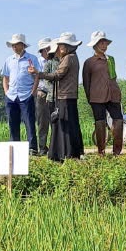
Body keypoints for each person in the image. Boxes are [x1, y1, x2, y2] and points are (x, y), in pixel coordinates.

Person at [35, 32, 84, 162]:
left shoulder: (68, 58)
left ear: (69, 46)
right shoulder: (73, 57)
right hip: (68, 95)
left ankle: (65, 153)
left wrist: (38, 74)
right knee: (67, 125)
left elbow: (57, 75)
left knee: (64, 125)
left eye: (62, 45)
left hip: (65, 96)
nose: (60, 47)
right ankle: (67, 153)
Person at [82, 31, 124, 155]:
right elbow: (86, 83)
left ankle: (117, 152)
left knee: (118, 121)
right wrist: (90, 98)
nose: (104, 45)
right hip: (96, 97)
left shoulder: (111, 59)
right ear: (94, 45)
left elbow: (113, 77)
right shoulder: (89, 62)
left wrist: (117, 91)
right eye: (101, 43)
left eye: (105, 42)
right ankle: (101, 152)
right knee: (100, 123)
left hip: (113, 95)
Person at [1, 34, 43, 154]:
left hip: (26, 95)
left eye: (16, 44)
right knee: (12, 122)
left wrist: (33, 91)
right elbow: (5, 77)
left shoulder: (32, 59)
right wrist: (6, 91)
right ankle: (15, 147)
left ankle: (32, 148)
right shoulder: (9, 60)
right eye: (12, 45)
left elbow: (37, 76)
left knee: (29, 122)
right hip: (11, 95)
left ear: (23, 45)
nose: (14, 46)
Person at [35, 39, 56, 155]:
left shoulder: (55, 61)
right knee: (42, 122)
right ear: (43, 50)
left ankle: (55, 146)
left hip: (54, 94)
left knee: (55, 120)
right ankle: (42, 148)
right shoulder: (37, 61)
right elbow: (35, 78)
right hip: (41, 93)